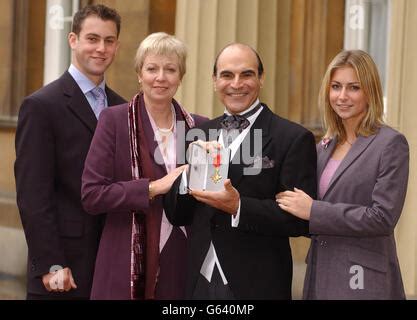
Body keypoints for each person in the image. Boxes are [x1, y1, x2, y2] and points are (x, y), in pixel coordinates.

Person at [164, 43, 317, 299]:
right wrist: (188, 175)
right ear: (214, 81)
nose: (236, 84)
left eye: (246, 74)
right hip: (198, 280)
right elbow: (177, 214)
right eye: (226, 75)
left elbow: (298, 221)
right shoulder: (196, 136)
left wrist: (238, 206)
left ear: (261, 79)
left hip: (257, 283)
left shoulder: (293, 138)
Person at [81, 32, 207, 300]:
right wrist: (152, 188)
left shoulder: (201, 127)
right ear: (140, 73)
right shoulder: (113, 121)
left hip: (182, 259)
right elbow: (92, 195)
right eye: (152, 68)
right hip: (126, 259)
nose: (160, 77)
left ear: (180, 77)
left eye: (170, 69)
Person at [276, 50, 409, 299]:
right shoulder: (324, 146)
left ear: (370, 92)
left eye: (354, 88)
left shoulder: (391, 144)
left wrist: (313, 210)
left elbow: (382, 217)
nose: (342, 96)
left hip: (362, 279)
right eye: (336, 87)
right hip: (320, 273)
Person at [14, 4, 125, 300]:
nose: (101, 48)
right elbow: (32, 194)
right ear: (73, 40)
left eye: (109, 40)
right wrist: (51, 262)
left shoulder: (122, 108)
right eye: (92, 39)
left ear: (117, 46)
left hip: (110, 261)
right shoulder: (41, 106)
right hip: (62, 269)